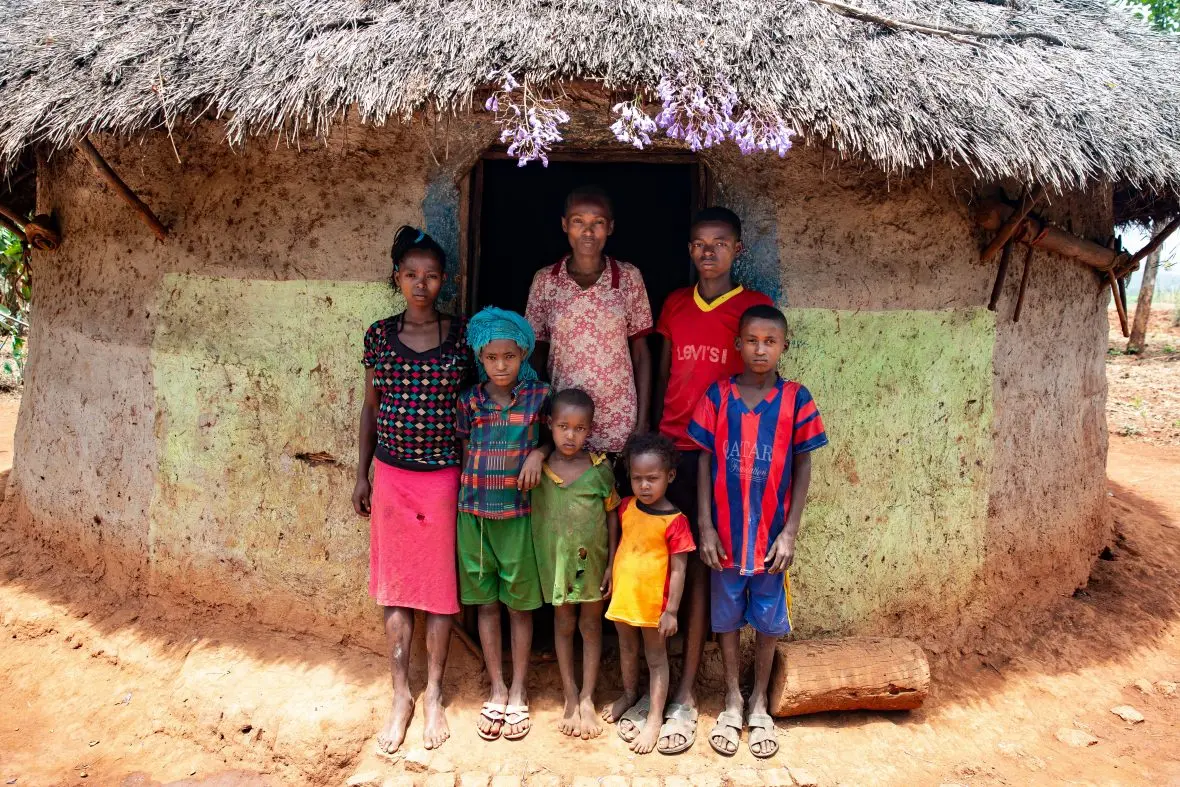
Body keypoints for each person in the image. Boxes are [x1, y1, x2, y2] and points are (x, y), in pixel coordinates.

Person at [650, 206, 773, 754]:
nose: (708, 252)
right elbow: (666, 368)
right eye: (699, 243)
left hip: (720, 458)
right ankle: (656, 681)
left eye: (719, 243)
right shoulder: (675, 304)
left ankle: (686, 690)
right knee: (665, 564)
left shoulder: (751, 309)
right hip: (672, 447)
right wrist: (649, 433)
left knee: (704, 571)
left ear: (737, 250)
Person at [688, 304, 829, 759]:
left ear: (784, 345)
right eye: (752, 341)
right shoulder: (718, 395)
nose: (760, 349)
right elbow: (705, 458)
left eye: (770, 341)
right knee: (727, 616)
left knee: (768, 619)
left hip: (771, 537)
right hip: (725, 537)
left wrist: (789, 532)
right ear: (738, 345)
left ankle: (759, 701)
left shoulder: (796, 399)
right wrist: (706, 525)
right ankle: (731, 696)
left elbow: (804, 463)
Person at [353, 226, 473, 755]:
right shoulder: (379, 335)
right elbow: (371, 407)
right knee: (397, 587)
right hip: (393, 476)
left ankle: (434, 694)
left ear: (443, 280)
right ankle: (400, 694)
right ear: (397, 279)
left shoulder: (463, 335)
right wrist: (362, 473)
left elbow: (476, 410)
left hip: (445, 476)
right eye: (410, 275)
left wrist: (475, 475)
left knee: (440, 590)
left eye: (430, 276)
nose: (420, 284)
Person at [457, 307, 551, 742]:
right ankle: (496, 686)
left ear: (524, 353)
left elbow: (559, 433)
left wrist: (540, 451)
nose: (500, 366)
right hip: (474, 517)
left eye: (509, 357)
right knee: (486, 605)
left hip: (518, 517)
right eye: (491, 357)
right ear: (480, 357)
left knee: (519, 606)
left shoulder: (539, 398)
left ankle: (519, 689)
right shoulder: (470, 400)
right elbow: (462, 451)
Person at [525, 185, 654, 457]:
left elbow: (641, 354)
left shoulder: (629, 278)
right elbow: (536, 354)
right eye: (578, 222)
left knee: (616, 496)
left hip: (619, 420)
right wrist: (536, 417)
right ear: (564, 225)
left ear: (610, 227)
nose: (588, 231)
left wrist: (642, 422)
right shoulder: (546, 281)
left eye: (597, 223)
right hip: (564, 420)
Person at [530, 388, 621, 739]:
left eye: (580, 428)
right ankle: (569, 693)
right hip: (557, 566)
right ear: (549, 425)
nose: (571, 435)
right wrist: (537, 454)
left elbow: (613, 517)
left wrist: (613, 563)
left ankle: (588, 697)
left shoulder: (599, 471)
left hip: (591, 565)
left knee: (591, 626)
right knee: (564, 623)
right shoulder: (540, 468)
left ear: (590, 429)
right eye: (563, 426)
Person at [602, 433, 695, 755]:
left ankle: (654, 718)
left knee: (657, 660)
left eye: (652, 479)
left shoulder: (676, 521)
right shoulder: (626, 507)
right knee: (627, 649)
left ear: (669, 476)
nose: (644, 486)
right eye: (637, 478)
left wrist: (671, 610)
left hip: (654, 606)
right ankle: (629, 695)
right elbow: (621, 547)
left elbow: (680, 569)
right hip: (625, 597)